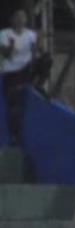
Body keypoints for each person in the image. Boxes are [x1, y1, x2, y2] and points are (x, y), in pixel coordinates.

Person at [1, 10, 38, 145]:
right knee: (14, 105)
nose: (20, 20)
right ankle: (14, 135)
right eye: (17, 17)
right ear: (12, 20)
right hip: (11, 72)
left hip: (26, 71)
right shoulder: (5, 34)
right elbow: (5, 55)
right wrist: (10, 47)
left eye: (23, 17)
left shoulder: (31, 35)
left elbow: (35, 53)